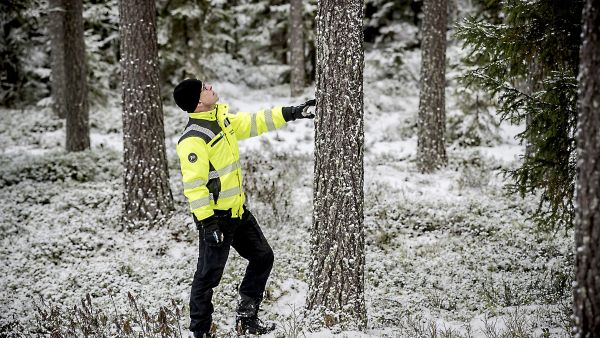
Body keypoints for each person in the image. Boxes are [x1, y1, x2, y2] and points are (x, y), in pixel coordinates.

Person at [172, 79, 315, 338]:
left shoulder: (222, 120)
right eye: (204, 87)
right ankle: (200, 332)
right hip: (216, 219)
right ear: (198, 101)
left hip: (237, 212)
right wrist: (207, 224)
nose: (210, 86)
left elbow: (255, 121)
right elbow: (194, 186)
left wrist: (293, 112)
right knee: (207, 277)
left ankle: (246, 320)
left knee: (263, 257)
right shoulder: (193, 139)